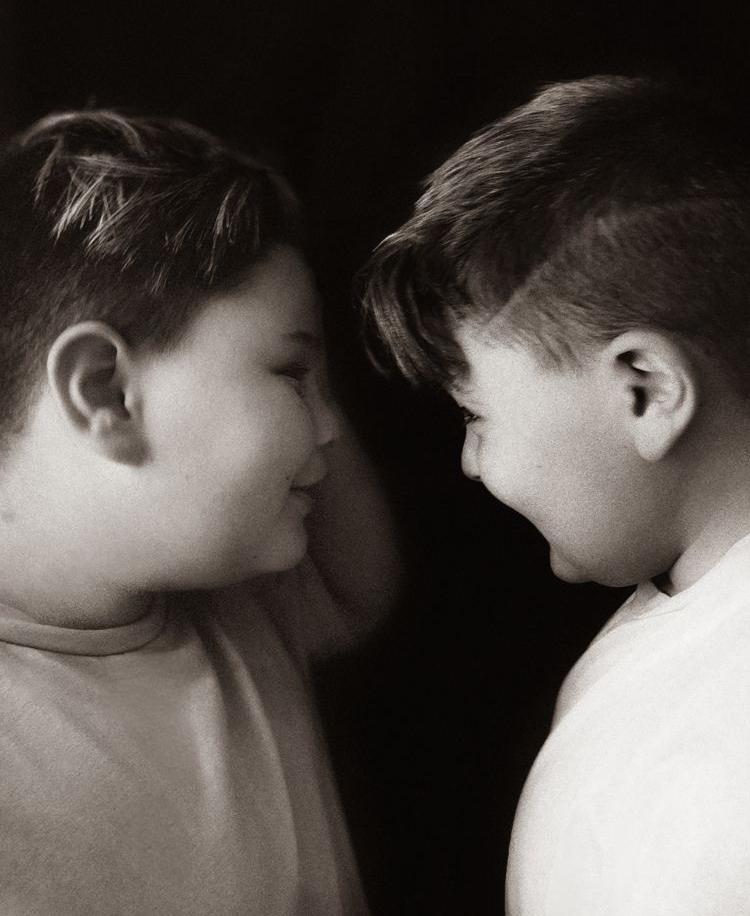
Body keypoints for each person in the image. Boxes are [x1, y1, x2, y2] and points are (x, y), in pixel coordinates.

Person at [361, 74, 750, 914]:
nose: (470, 463)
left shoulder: (710, 788)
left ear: (644, 390)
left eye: (475, 415)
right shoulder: (691, 612)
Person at [0, 109, 399, 916]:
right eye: (293, 373)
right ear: (106, 390)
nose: (330, 426)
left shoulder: (247, 599)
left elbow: (366, 581)